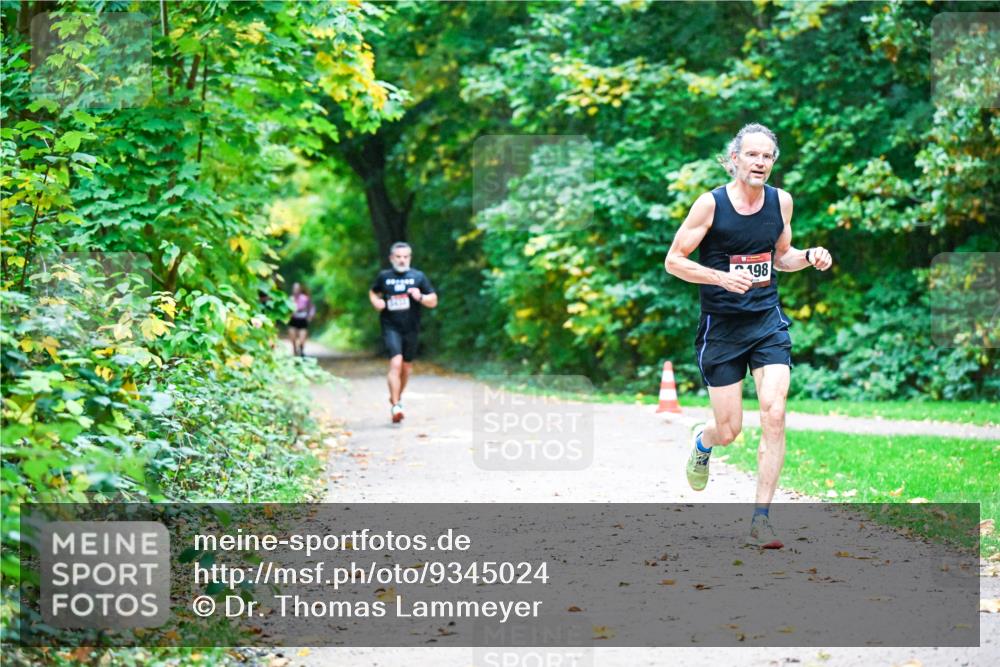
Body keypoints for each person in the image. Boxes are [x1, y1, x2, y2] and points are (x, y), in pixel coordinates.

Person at [664, 123, 833, 549]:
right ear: (734, 158)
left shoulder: (782, 203)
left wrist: (809, 256)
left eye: (767, 156)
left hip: (766, 322)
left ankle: (762, 520)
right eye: (752, 155)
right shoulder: (710, 205)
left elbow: (782, 258)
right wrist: (721, 277)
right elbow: (674, 261)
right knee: (730, 429)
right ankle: (704, 443)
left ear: (773, 162)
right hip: (721, 328)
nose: (760, 163)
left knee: (774, 414)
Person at [369, 242, 438, 423]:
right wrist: (377, 302)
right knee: (396, 362)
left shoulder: (418, 277)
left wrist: (420, 297)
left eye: (405, 257)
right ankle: (396, 406)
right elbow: (373, 292)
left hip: (411, 328)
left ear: (410, 258)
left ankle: (396, 398)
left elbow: (433, 300)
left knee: (406, 368)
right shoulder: (384, 276)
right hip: (390, 326)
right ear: (392, 258)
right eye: (398, 257)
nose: (402, 260)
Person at [287, 282, 316, 357]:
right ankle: (294, 351)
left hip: (302, 319)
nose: (296, 290)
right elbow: (286, 310)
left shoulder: (305, 298)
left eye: (297, 289)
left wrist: (310, 316)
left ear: (300, 290)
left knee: (302, 340)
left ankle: (301, 350)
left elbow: (311, 307)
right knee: (293, 338)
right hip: (293, 320)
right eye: (294, 288)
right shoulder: (290, 299)